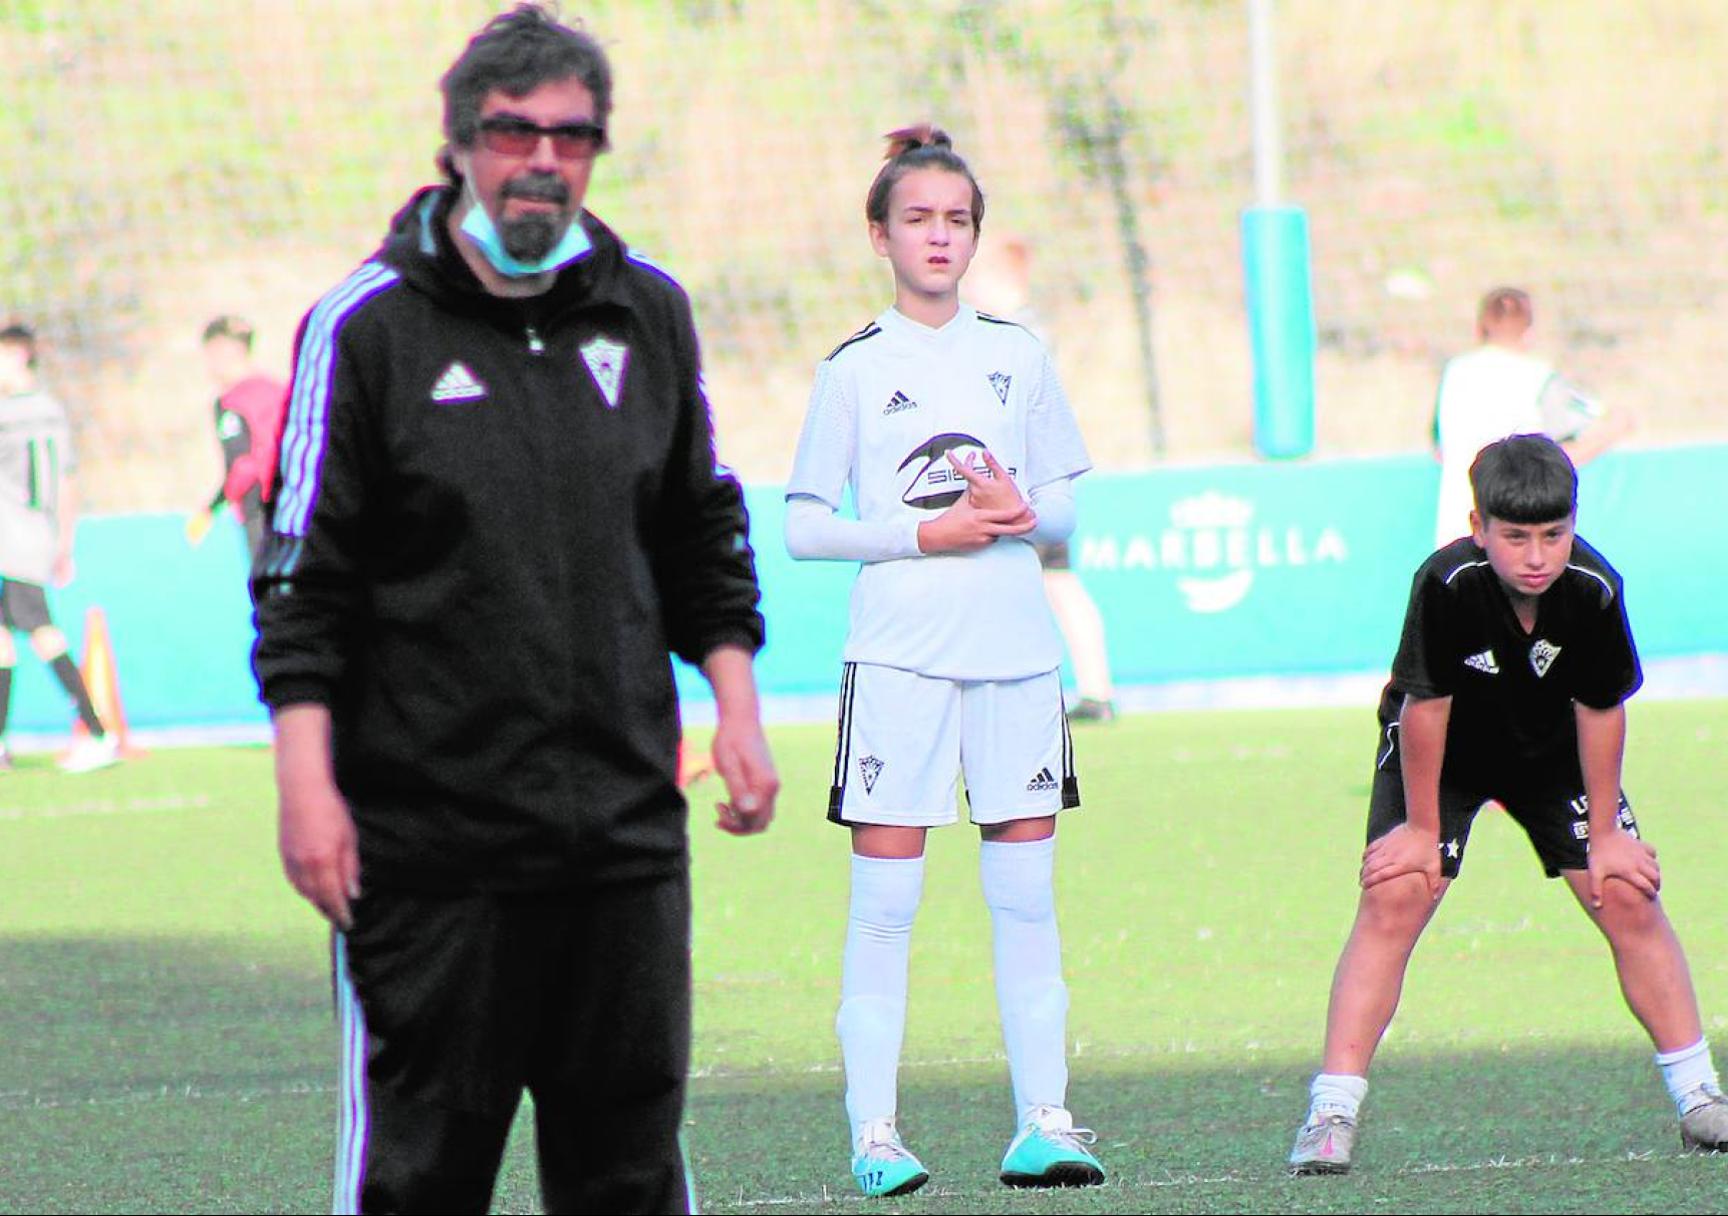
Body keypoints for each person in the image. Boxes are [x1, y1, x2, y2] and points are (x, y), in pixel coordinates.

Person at [248, 8, 777, 1213]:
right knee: (422, 1181)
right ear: (459, 147)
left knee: (629, 1179)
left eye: (573, 136)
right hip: (432, 856)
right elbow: (300, 580)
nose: (543, 158)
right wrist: (306, 782)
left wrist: (734, 704)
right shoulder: (365, 327)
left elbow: (701, 524)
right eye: (514, 131)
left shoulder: (649, 311)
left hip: (627, 843)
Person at [1287, 435, 1728, 1177]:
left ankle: (1700, 1097)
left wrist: (1607, 834)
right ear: (1478, 524)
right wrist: (1423, 830)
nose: (1537, 555)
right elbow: (1426, 707)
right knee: (1396, 893)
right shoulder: (1447, 582)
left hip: (1551, 752)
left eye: (1554, 534)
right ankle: (1331, 1111)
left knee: (1626, 894)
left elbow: (1602, 708)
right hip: (1443, 754)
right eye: (1515, 536)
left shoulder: (1594, 587)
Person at [784, 126, 1107, 1197]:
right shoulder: (856, 369)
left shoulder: (1020, 355)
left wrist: (1023, 513)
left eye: (956, 219)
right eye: (917, 218)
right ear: (879, 235)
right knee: (886, 904)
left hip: (1017, 659)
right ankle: (875, 1133)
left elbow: (1060, 498)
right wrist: (921, 535)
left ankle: (1046, 1121)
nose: (938, 236)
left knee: (1026, 897)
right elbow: (803, 525)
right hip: (899, 665)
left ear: (975, 235)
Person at [967, 235, 1117, 723]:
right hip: (1036, 474)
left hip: (1024, 478)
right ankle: (1094, 689)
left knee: (1031, 581)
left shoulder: (1015, 334)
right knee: (1054, 581)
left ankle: (1034, 690)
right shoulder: (1019, 330)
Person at [0, 322, 118, 774]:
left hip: (11, 537)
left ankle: (98, 732)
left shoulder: (9, 413)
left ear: (18, 355)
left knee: (42, 632)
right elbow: (68, 481)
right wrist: (64, 542)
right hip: (39, 536)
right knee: (6, 638)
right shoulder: (52, 410)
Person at [1431, 287, 1627, 548]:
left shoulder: (1454, 374)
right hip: (1518, 541)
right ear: (1529, 331)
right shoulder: (1539, 378)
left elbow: (1439, 449)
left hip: (1456, 536)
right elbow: (1562, 457)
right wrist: (1618, 428)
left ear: (1479, 329)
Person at [186, 315, 288, 559]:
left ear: (223, 351)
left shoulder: (231, 402)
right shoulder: (280, 390)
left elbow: (243, 466)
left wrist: (212, 508)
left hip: (261, 508)